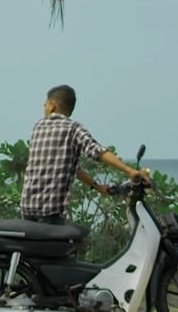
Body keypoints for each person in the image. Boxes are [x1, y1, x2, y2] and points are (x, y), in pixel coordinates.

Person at [20, 84, 147, 227]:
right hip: (50, 212)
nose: (44, 109)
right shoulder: (73, 128)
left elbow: (70, 167)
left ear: (52, 106)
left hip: (27, 208)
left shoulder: (38, 127)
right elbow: (98, 152)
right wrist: (129, 171)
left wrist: (96, 186)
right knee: (61, 246)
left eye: (44, 105)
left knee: (35, 249)